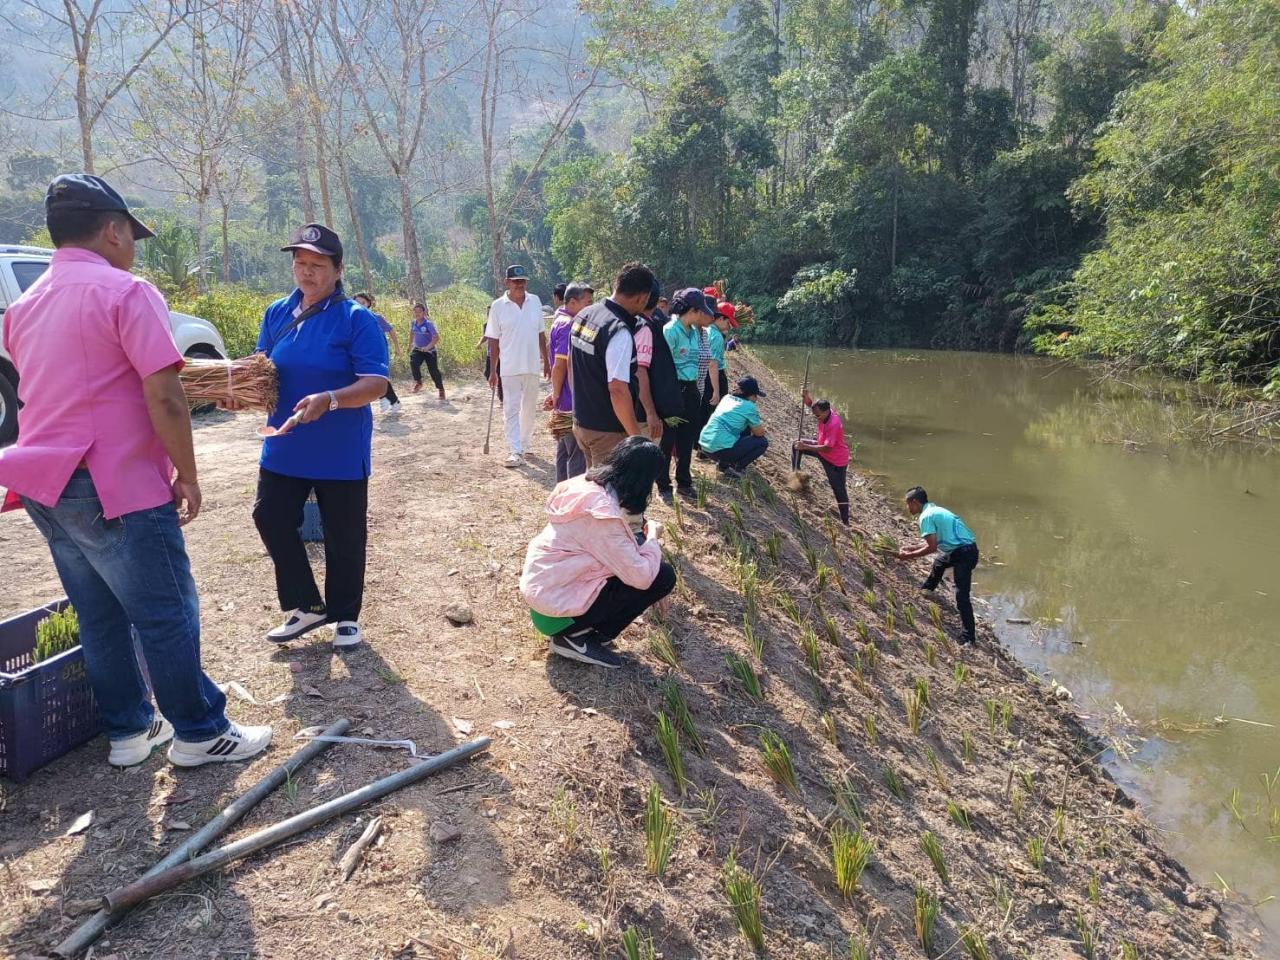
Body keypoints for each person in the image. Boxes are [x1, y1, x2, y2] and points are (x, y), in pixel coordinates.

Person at [0, 174, 271, 767]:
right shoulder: (126, 292)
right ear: (113, 229)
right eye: (132, 234)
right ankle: (200, 731)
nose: (134, 247)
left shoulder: (21, 308)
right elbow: (166, 395)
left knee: (98, 615)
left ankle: (129, 731)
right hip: (112, 482)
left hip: (44, 485)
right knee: (166, 610)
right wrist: (187, 475)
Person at [247, 223, 390, 649]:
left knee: (343, 533)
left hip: (339, 449)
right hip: (285, 444)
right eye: (300, 264)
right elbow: (263, 371)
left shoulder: (356, 320)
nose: (306, 273)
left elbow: (376, 384)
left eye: (316, 265)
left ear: (338, 269)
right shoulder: (277, 313)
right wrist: (236, 393)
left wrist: (329, 399)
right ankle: (305, 605)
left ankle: (345, 615)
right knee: (269, 516)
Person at [519, 436, 676, 669]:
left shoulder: (584, 484)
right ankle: (575, 638)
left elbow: (619, 544)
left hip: (544, 593)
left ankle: (581, 631)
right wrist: (653, 537)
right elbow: (642, 578)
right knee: (662, 576)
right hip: (556, 615)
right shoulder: (602, 517)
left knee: (641, 568)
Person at [569, 262, 655, 467]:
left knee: (592, 488)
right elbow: (617, 389)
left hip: (582, 423)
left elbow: (572, 365)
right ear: (642, 298)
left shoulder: (585, 314)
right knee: (608, 495)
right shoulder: (618, 331)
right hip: (607, 432)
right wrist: (636, 438)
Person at [894, 486, 980, 645]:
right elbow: (934, 540)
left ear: (915, 502)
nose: (907, 508)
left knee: (962, 596)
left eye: (908, 504)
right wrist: (913, 547)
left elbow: (932, 547)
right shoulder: (934, 510)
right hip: (968, 549)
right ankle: (927, 590)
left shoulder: (925, 517)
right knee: (940, 562)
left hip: (963, 554)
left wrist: (908, 556)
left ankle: (969, 637)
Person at [486, 264, 549, 467]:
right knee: (511, 409)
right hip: (509, 367)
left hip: (531, 365)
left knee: (529, 408)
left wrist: (546, 361)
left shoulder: (535, 301)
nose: (520, 285)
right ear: (507, 283)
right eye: (516, 281)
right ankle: (514, 450)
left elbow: (541, 333)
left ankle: (524, 443)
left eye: (523, 281)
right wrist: (493, 370)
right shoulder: (497, 306)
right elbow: (493, 341)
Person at [659, 288, 718, 498]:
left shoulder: (694, 333)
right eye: (699, 311)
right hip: (673, 389)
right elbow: (662, 367)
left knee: (687, 438)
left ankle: (684, 482)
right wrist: (667, 396)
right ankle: (663, 484)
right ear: (691, 310)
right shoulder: (670, 331)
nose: (702, 315)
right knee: (668, 439)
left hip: (691, 388)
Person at [545, 281, 594, 481]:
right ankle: (571, 501)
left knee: (564, 452)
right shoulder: (568, 325)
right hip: (569, 401)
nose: (591, 307)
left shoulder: (560, 320)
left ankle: (561, 493)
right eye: (588, 302)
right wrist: (556, 395)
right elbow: (560, 365)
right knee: (576, 454)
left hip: (564, 399)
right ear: (572, 302)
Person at [792, 388, 852, 524]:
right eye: (815, 415)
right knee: (796, 446)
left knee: (839, 489)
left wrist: (806, 446)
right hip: (821, 449)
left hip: (835, 460)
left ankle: (845, 521)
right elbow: (812, 406)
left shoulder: (834, 424)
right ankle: (797, 477)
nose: (816, 418)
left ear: (826, 412)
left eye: (818, 416)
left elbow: (827, 448)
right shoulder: (822, 412)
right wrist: (806, 398)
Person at [698, 376, 769, 476]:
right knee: (762, 442)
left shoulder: (727, 398)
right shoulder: (749, 407)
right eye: (755, 395)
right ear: (749, 394)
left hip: (704, 445)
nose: (756, 399)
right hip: (719, 451)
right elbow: (760, 433)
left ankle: (722, 462)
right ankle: (734, 468)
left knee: (740, 425)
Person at [353, 292, 401, 413]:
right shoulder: (353, 320)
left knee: (377, 375)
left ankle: (387, 399)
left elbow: (391, 331)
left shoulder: (377, 318)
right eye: (357, 303)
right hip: (362, 353)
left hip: (378, 352)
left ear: (369, 304)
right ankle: (390, 400)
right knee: (370, 376)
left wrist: (397, 347)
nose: (360, 305)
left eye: (363, 303)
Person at [409, 301, 446, 400]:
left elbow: (436, 338)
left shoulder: (428, 324)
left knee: (433, 371)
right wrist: (410, 345)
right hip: (418, 349)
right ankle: (419, 382)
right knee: (413, 361)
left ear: (424, 312)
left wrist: (428, 347)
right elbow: (412, 333)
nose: (417, 314)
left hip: (430, 351)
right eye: (415, 312)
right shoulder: (413, 322)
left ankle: (441, 389)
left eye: (419, 312)